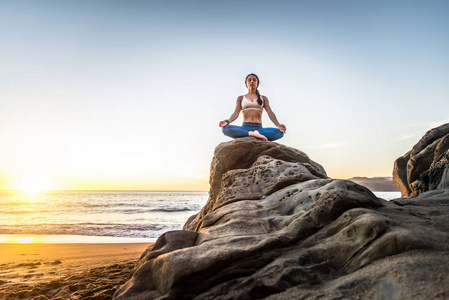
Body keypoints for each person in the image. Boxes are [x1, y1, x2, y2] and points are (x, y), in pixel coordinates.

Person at [219, 73, 286, 141]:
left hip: (259, 128)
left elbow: (270, 113)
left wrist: (278, 125)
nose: (252, 81)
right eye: (249, 80)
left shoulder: (263, 98)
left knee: (280, 133)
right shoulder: (241, 98)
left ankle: (252, 133)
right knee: (225, 129)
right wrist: (227, 121)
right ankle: (250, 133)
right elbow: (235, 113)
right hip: (245, 127)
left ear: (257, 83)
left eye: (254, 80)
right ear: (246, 83)